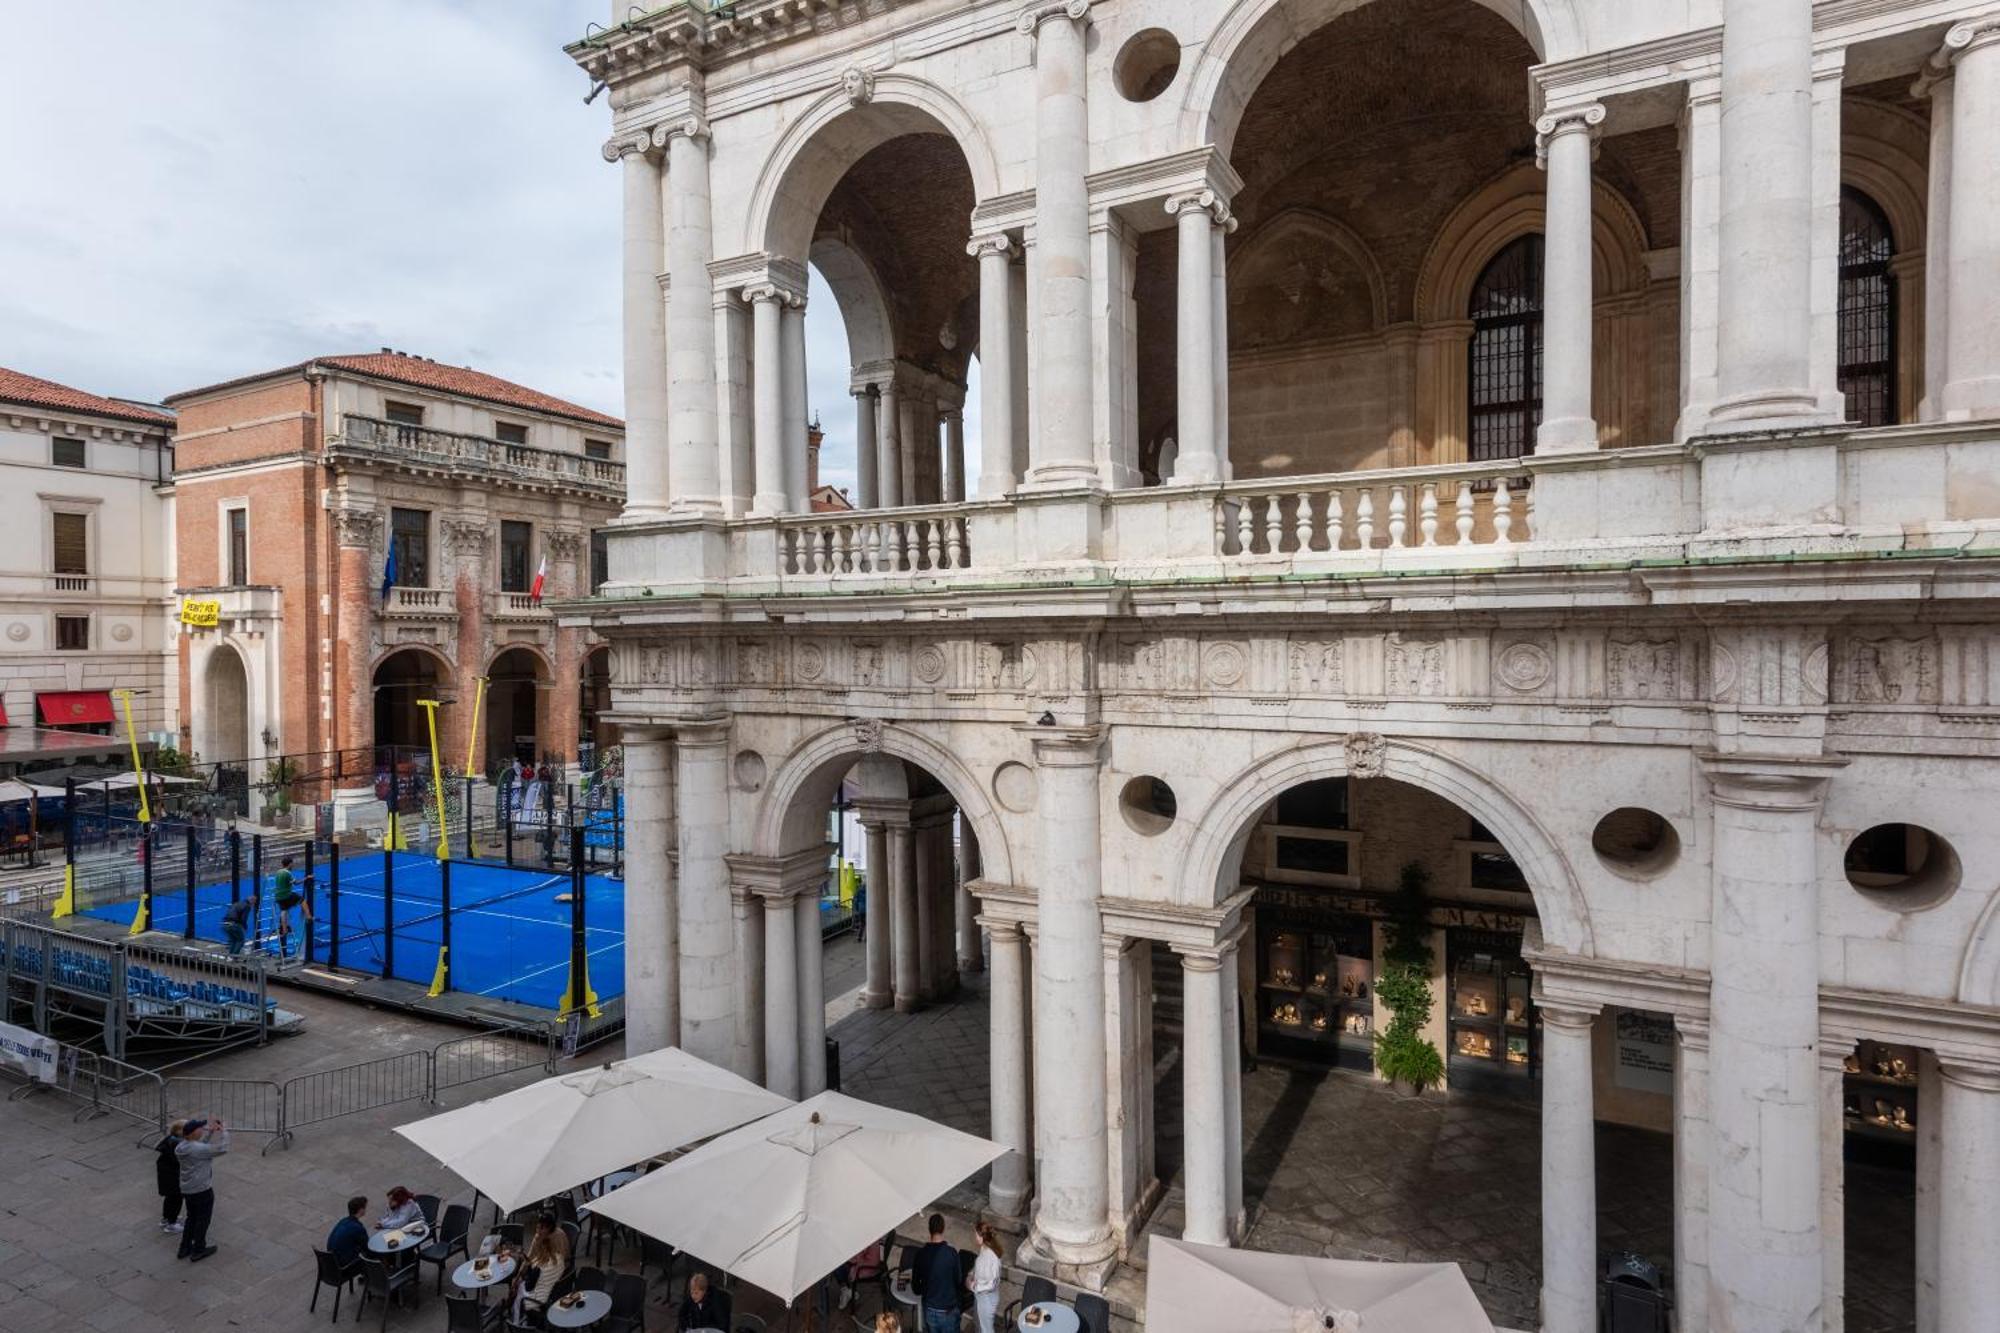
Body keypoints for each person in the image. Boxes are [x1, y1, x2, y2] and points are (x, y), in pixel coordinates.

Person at [174, 1117, 229, 1261]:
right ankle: (199, 1249)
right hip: (202, 1189)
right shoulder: (197, 1149)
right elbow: (222, 1149)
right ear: (192, 1133)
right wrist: (224, 1132)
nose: (202, 1129)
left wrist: (210, 1133)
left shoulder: (181, 1147)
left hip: (188, 1189)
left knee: (191, 1218)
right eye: (200, 1128)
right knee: (203, 1220)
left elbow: (199, 1147)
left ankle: (184, 1248)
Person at [512, 1213, 569, 1324]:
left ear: (549, 1228)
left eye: (541, 1228)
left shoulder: (558, 1237)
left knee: (523, 1290)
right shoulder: (538, 1237)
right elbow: (530, 1257)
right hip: (541, 1271)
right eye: (538, 1227)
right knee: (520, 1284)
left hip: (556, 1276)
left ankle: (520, 1320)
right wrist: (517, 1276)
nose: (538, 1230)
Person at [912, 1213, 962, 1333]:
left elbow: (916, 1288)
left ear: (929, 1230)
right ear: (943, 1228)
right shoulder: (952, 1253)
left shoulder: (920, 1254)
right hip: (948, 1310)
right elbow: (958, 1280)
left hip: (929, 1309)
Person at [969, 1221, 1003, 1333]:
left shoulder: (992, 1257)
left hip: (987, 1299)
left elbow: (992, 1283)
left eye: (976, 1234)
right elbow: (980, 1265)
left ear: (982, 1237)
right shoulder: (984, 1249)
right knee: (980, 1326)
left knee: (986, 1330)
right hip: (981, 1296)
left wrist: (975, 1286)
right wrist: (972, 1273)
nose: (975, 1237)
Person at [272, 855, 309, 957]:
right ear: (289, 864)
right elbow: (296, 883)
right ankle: (309, 915)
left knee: (284, 911)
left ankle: (284, 929)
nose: (293, 865)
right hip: (286, 895)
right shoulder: (288, 873)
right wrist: (306, 878)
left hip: (278, 896)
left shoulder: (278, 872)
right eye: (292, 863)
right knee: (302, 900)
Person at [326, 1196, 369, 1279]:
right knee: (370, 1256)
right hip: (344, 1266)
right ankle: (375, 1279)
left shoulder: (343, 1221)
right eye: (365, 1207)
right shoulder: (357, 1228)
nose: (365, 1209)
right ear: (360, 1210)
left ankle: (367, 1275)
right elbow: (367, 1247)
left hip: (332, 1262)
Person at [154, 1120, 185, 1233]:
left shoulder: (170, 1141)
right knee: (176, 1200)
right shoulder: (178, 1145)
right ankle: (172, 1223)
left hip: (167, 1177)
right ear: (178, 1131)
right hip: (173, 1179)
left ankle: (166, 1219)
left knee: (169, 1200)